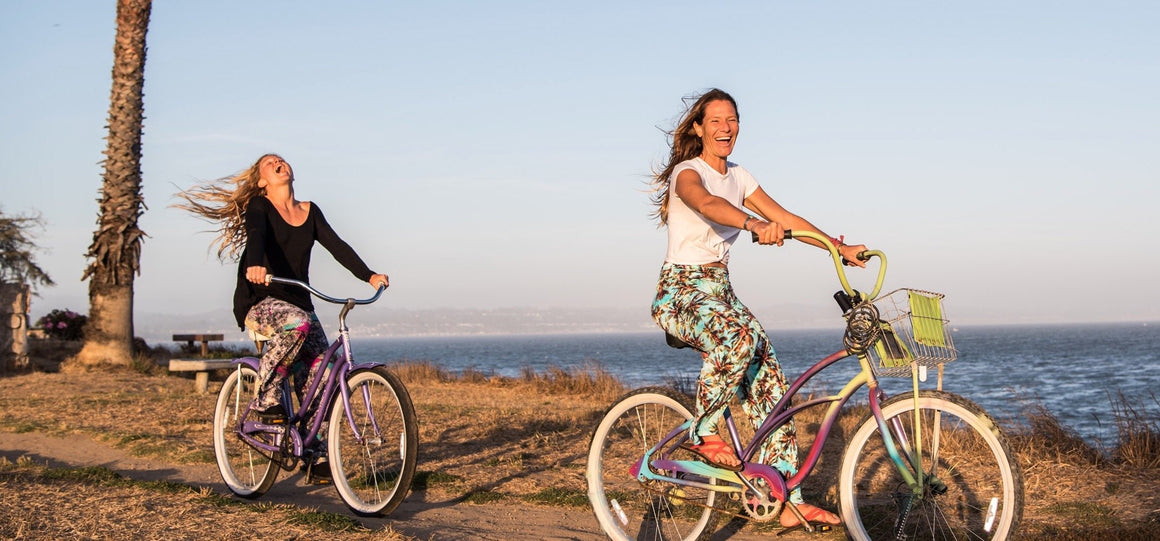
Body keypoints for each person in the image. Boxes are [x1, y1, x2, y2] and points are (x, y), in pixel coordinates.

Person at [649, 89, 864, 528]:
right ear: (698, 128)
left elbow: (786, 218)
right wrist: (752, 224)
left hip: (720, 292)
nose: (725, 127)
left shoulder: (740, 176)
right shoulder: (687, 174)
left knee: (772, 385)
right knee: (739, 339)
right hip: (680, 293)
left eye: (732, 120)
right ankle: (703, 432)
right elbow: (708, 205)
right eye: (715, 120)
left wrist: (837, 248)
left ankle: (785, 497)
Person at [176, 153, 388, 436]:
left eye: (282, 159)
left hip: (300, 302)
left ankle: (316, 452)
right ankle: (266, 399)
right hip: (260, 300)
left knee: (323, 376)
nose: (279, 163)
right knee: (296, 322)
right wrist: (255, 264)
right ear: (262, 180)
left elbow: (337, 246)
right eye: (270, 162)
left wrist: (369, 275)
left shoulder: (310, 211)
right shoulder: (260, 205)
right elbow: (256, 233)